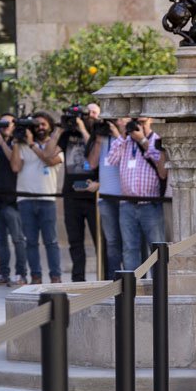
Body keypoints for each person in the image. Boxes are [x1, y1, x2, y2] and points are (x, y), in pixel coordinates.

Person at [112, 117, 166, 275]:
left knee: (156, 247)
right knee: (129, 248)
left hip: (150, 203)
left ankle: (160, 284)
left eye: (143, 121)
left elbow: (160, 163)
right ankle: (132, 288)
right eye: (137, 122)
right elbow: (111, 159)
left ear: (151, 120)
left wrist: (142, 140)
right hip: (127, 204)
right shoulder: (126, 141)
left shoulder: (157, 139)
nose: (139, 125)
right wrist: (122, 136)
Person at [16, 111, 63, 285]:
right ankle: (35, 276)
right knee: (31, 242)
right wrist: (16, 141)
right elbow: (15, 166)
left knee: (51, 241)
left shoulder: (56, 145)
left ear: (50, 126)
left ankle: (55, 276)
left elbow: (49, 160)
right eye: (37, 125)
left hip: (47, 199)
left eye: (43, 124)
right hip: (25, 198)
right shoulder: (23, 144)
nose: (40, 128)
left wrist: (32, 145)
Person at [0, 117, 26, 284]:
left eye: (7, 124)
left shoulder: (16, 144)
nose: (4, 128)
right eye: (1, 125)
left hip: (11, 199)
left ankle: (21, 273)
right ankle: (3, 272)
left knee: (17, 239)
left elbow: (14, 164)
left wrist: (2, 141)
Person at [58, 108, 98, 281]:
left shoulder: (96, 132)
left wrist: (83, 129)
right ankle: (78, 278)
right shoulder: (67, 134)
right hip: (71, 194)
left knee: (99, 239)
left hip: (92, 195)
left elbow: (93, 152)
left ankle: (103, 275)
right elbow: (50, 152)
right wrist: (59, 129)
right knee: (75, 240)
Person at [89, 115, 128, 277]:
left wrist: (117, 135)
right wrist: (98, 140)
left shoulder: (128, 139)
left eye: (118, 119)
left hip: (125, 199)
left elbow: (126, 158)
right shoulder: (102, 140)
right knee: (111, 243)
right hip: (105, 198)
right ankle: (113, 279)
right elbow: (92, 163)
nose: (116, 123)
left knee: (128, 242)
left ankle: (132, 278)